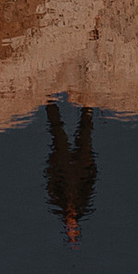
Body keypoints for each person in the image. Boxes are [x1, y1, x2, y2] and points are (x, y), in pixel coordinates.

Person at [43, 99, 96, 241]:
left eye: (70, 229)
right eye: (74, 229)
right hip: (80, 168)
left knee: (58, 132)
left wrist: (52, 166)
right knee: (84, 134)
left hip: (62, 167)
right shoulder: (83, 205)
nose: (72, 226)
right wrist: (91, 166)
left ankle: (50, 101)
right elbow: (90, 184)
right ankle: (87, 106)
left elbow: (51, 184)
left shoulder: (57, 205)